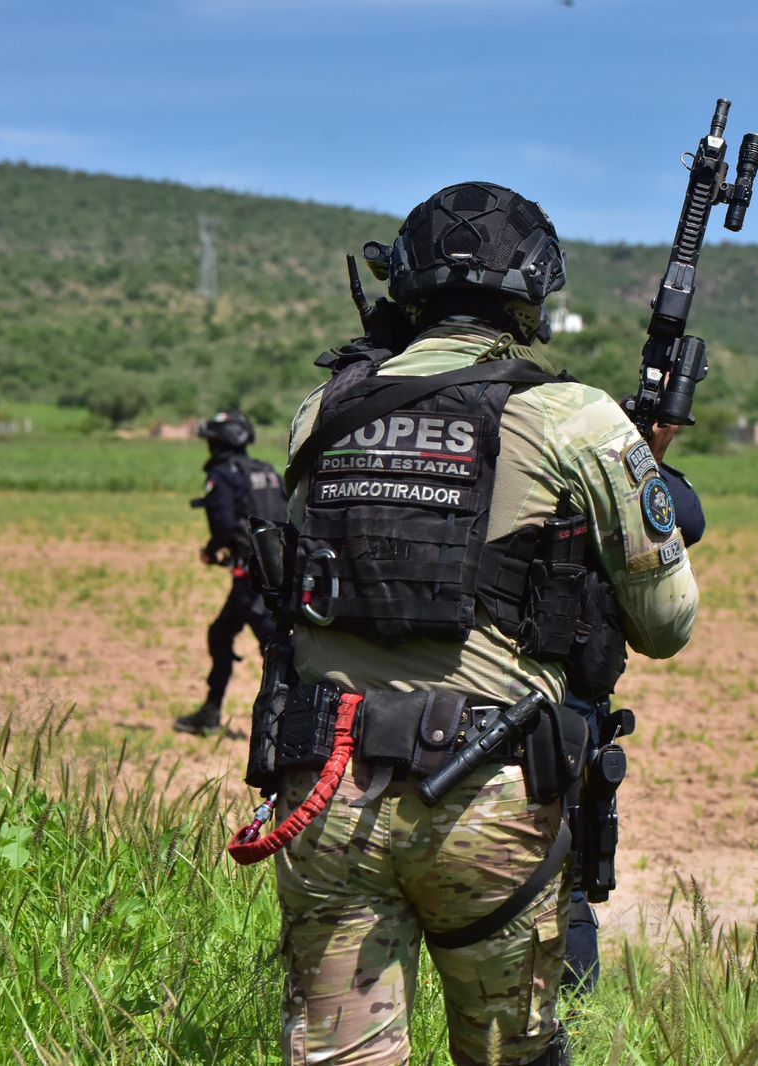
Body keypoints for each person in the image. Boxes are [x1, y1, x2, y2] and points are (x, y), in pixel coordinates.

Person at [270, 181, 700, 1065]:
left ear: (406, 285)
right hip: (485, 788)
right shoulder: (575, 416)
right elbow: (665, 625)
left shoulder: (322, 410)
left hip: (326, 780)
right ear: (534, 291)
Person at [560, 422, 705, 994]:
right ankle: (567, 1027)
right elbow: (684, 519)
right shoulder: (567, 437)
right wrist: (641, 456)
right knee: (562, 885)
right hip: (551, 716)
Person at [174, 410, 286, 736]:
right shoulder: (266, 471)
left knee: (274, 646)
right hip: (278, 572)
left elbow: (223, 526)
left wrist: (211, 552)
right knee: (225, 634)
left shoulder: (223, 474)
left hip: (250, 578)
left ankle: (282, 724)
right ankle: (212, 712)